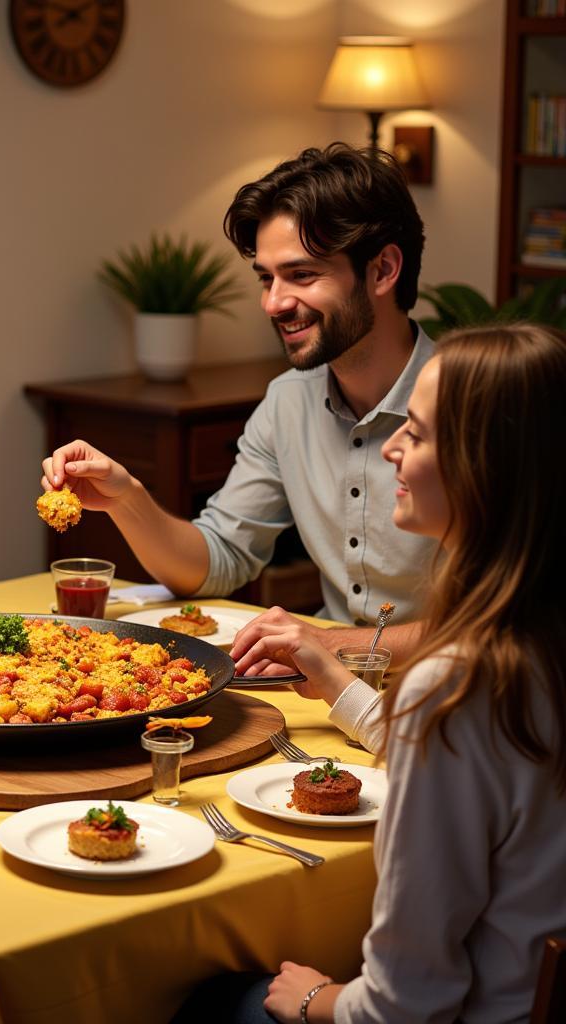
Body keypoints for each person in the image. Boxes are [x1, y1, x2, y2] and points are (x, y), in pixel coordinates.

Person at [177, 323, 566, 1023]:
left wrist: (315, 1002)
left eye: (414, 434)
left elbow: (405, 1005)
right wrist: (333, 677)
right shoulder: (532, 647)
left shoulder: (454, 685)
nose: (389, 448)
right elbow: (479, 770)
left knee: (199, 996)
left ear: (486, 466)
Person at [41, 143, 436, 672]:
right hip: (325, 694)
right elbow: (215, 563)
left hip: (455, 706)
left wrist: (328, 644)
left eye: (301, 275)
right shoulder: (288, 402)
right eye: (266, 278)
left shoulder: (483, 407)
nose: (273, 303)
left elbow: (515, 621)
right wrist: (124, 497)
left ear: (383, 270)